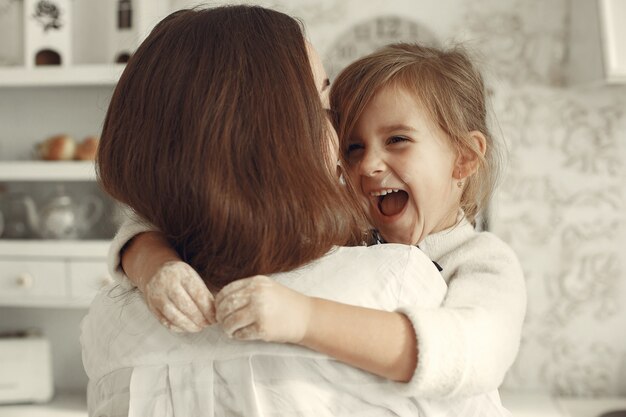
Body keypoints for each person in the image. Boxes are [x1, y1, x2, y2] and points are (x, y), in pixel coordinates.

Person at [82, 5, 512, 416]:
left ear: (464, 158)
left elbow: (475, 351)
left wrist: (303, 316)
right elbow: (143, 227)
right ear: (273, 130)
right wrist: (154, 263)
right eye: (351, 144)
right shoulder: (383, 267)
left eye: (398, 139)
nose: (364, 165)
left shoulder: (105, 323)